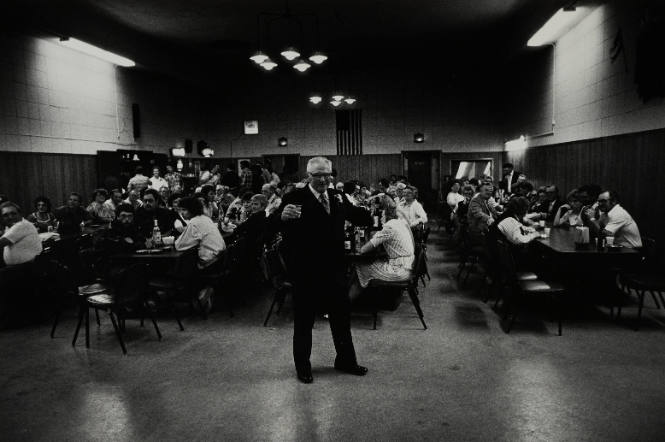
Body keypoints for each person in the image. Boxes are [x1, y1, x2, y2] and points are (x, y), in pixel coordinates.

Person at [275, 156, 372, 384]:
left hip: (335, 270)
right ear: (308, 176)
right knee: (304, 322)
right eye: (318, 175)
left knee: (341, 319)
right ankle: (303, 367)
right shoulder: (294, 197)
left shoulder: (337, 196)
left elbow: (356, 215)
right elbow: (273, 228)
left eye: (328, 174)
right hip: (306, 272)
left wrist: (379, 209)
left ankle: (346, 361)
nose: (324, 179)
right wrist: (280, 217)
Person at [349, 195, 414, 301]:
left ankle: (346, 303)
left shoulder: (389, 227)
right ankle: (351, 299)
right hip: (408, 265)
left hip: (399, 270)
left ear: (383, 211)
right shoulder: (399, 222)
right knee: (366, 265)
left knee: (360, 266)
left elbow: (363, 250)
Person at [175, 197, 226, 270]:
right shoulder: (205, 218)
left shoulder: (194, 222)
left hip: (210, 263)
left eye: (184, 210)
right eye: (180, 210)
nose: (181, 213)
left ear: (192, 209)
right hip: (221, 258)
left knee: (182, 264)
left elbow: (179, 245)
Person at [1, 202, 42, 267]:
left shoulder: (22, 225)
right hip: (20, 268)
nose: (10, 217)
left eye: (13, 213)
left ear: (20, 214)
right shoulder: (10, 226)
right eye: (5, 215)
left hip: (27, 268)